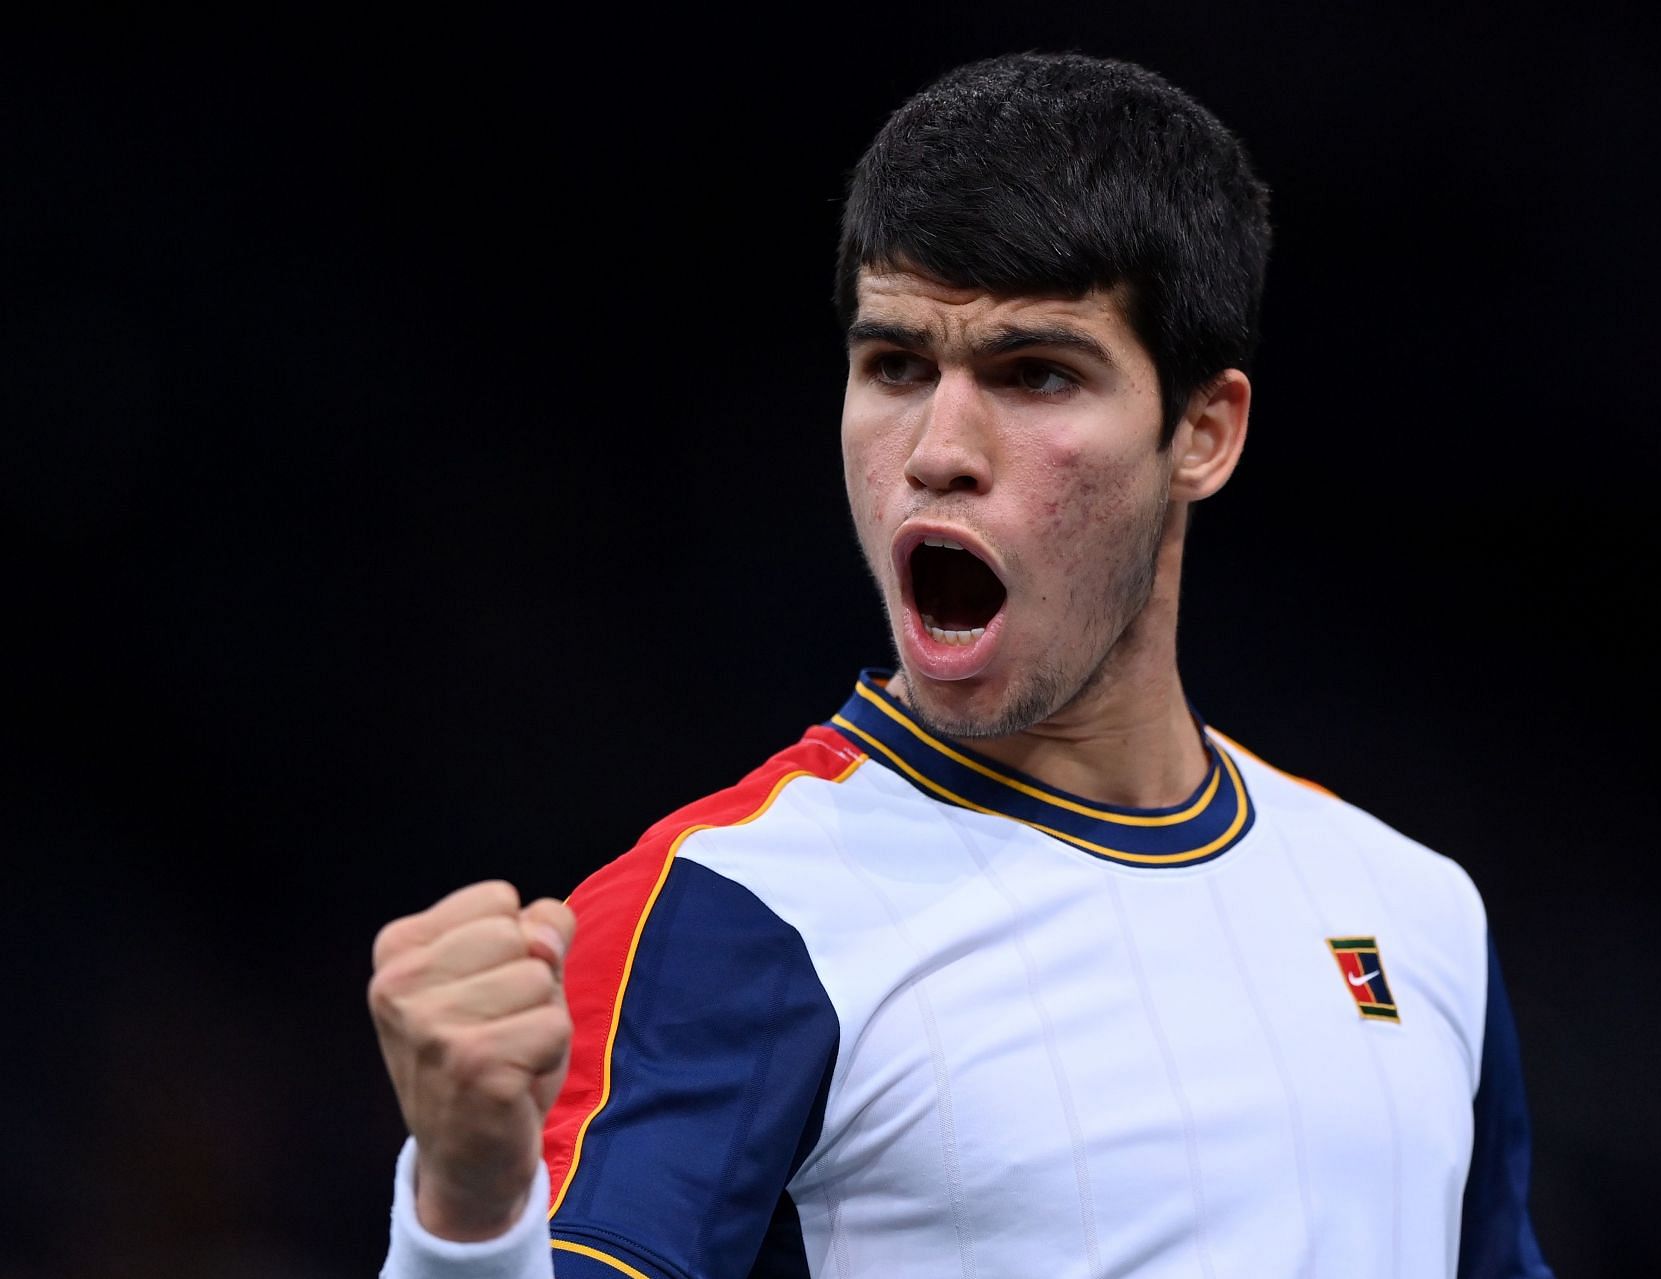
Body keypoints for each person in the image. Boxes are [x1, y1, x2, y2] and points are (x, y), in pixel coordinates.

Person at [369, 52, 1554, 1279]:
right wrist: (464, 1212)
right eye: (895, 367)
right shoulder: (727, 915)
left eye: (1034, 373)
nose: (938, 449)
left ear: (1202, 432)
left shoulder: (1416, 914)